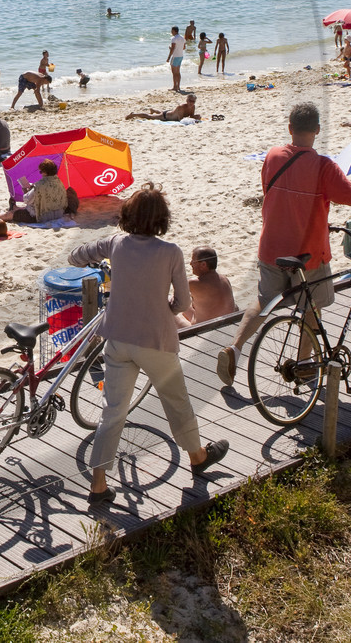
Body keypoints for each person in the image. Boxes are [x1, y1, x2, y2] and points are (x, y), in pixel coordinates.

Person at [216, 102, 351, 387]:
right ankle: (304, 364)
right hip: (308, 252)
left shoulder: (274, 156)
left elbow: (271, 191)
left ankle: (235, 348)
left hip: (271, 247)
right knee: (311, 306)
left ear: (290, 128)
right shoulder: (323, 166)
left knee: (264, 301)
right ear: (317, 129)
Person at [69, 185, 230, 507]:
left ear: (127, 216)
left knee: (112, 412)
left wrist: (95, 261)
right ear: (161, 219)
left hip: (117, 339)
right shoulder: (171, 252)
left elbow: (76, 256)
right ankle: (197, 456)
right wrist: (163, 308)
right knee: (177, 401)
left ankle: (98, 484)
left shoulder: (116, 244)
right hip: (156, 341)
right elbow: (183, 301)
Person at [176, 247, 237, 328]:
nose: (190, 263)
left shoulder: (193, 283)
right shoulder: (224, 279)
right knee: (187, 308)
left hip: (202, 330)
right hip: (227, 325)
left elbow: (176, 300)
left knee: (169, 309)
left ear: (203, 264)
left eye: (193, 261)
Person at [4, 159, 67, 224]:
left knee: (11, 214)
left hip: (41, 217)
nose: (41, 174)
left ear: (45, 172)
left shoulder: (39, 185)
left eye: (41, 172)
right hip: (58, 214)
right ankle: (15, 207)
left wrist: (25, 190)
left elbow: (27, 200)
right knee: (34, 204)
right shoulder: (59, 182)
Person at [126, 94, 198, 122]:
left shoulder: (193, 107)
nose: (191, 103)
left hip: (171, 112)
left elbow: (191, 116)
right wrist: (194, 119)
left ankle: (154, 110)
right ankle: (133, 114)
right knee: (149, 116)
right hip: (165, 116)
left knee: (160, 112)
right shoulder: (181, 107)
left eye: (193, 101)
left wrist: (195, 117)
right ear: (186, 100)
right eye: (190, 100)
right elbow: (181, 120)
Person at [166, 26, 184, 93]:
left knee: (174, 72)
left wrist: (168, 57)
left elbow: (173, 48)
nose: (171, 32)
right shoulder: (182, 38)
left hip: (175, 56)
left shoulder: (174, 39)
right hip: (181, 55)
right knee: (178, 72)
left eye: (172, 31)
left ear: (174, 31)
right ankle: (178, 86)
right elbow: (184, 47)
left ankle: (175, 87)